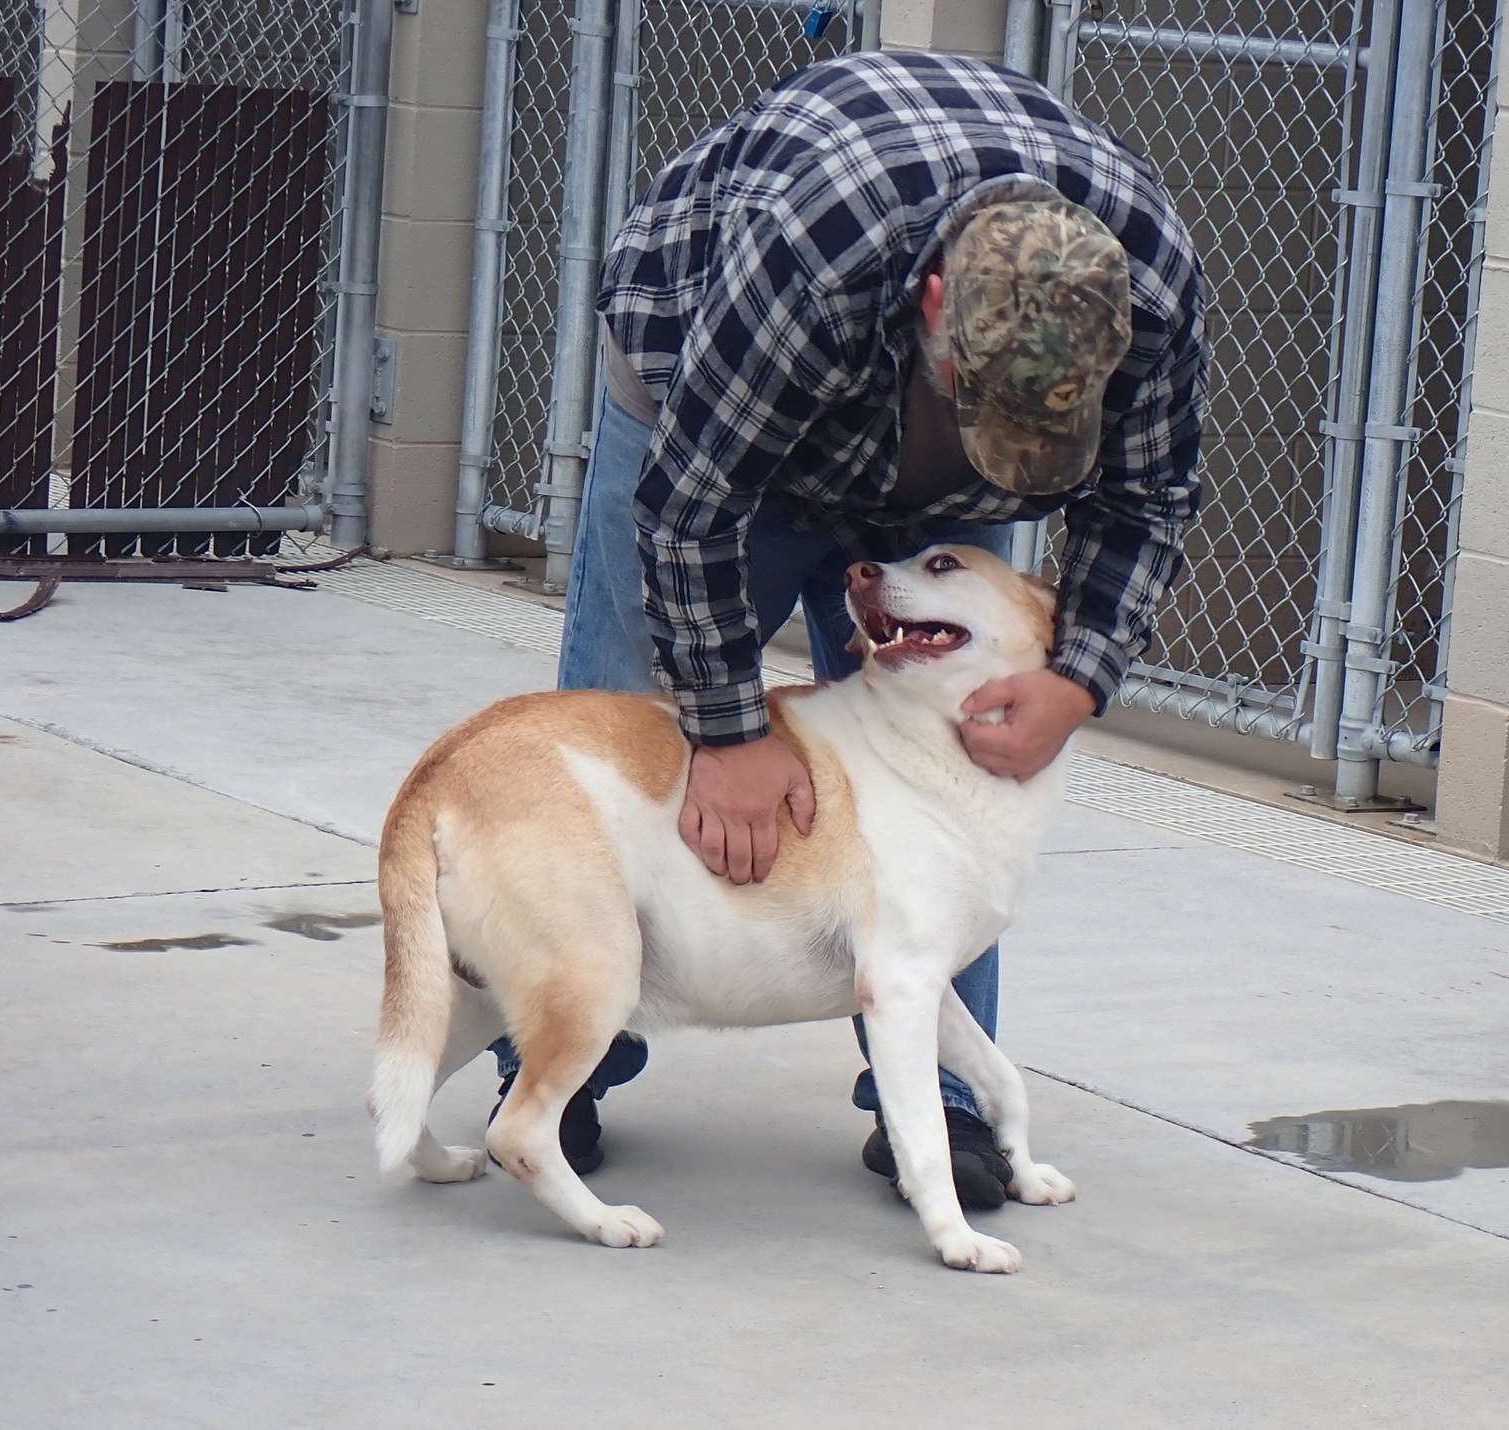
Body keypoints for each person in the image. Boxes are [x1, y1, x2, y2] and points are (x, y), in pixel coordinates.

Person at [488, 49, 1209, 1207]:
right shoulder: (812, 262)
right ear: (936, 309)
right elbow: (688, 512)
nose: (1007, 458)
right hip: (708, 393)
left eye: (1040, 438)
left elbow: (1150, 499)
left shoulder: (1148, 285)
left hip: (897, 454)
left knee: (958, 762)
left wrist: (1078, 676)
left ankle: (945, 1104)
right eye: (990, 420)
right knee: (623, 710)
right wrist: (728, 733)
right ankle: (561, 1066)